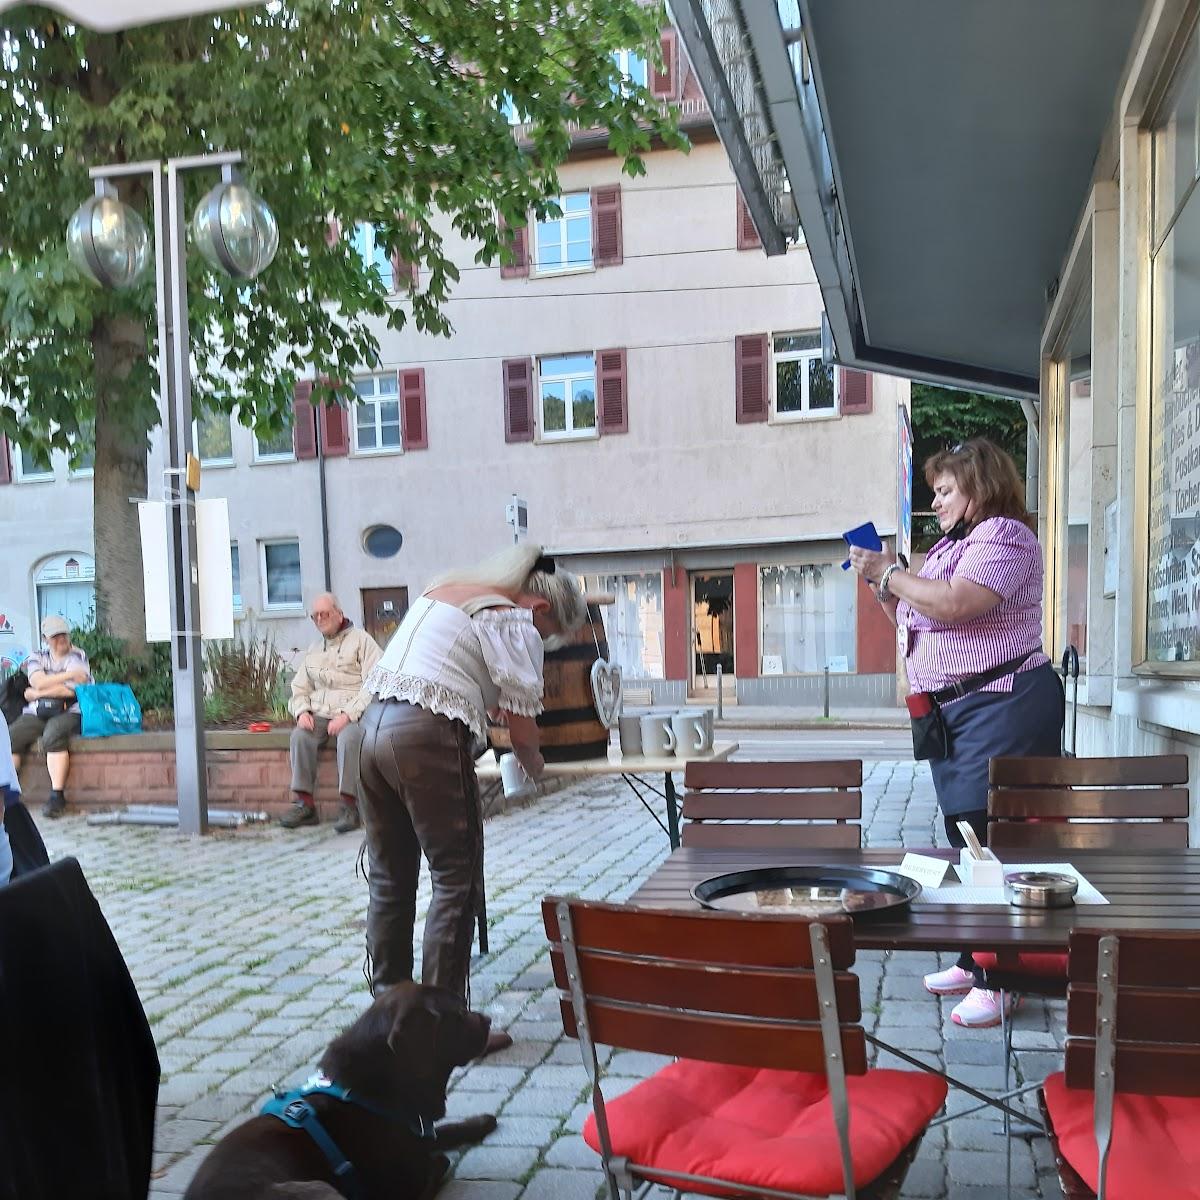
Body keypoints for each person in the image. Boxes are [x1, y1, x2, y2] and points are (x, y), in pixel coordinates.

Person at [849, 438, 1064, 1028]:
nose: (937, 501)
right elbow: (918, 615)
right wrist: (884, 586)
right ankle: (978, 958)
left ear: (979, 487)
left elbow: (954, 604)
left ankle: (1005, 977)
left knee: (998, 839)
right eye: (935, 491)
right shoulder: (953, 545)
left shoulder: (1006, 537)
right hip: (957, 712)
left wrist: (892, 571)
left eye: (945, 490)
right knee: (966, 832)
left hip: (1003, 704)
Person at [356, 544, 586, 1051]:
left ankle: (389, 1010)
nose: (540, 643)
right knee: (455, 880)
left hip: (370, 732)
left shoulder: (446, 589)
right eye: (548, 637)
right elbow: (524, 735)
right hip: (424, 738)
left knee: (391, 879)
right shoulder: (513, 617)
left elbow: (448, 671)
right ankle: (439, 1031)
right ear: (542, 609)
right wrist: (538, 769)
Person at [282, 593, 383, 833]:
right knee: (300, 736)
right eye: (315, 616)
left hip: (354, 714)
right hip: (320, 713)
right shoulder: (314, 649)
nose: (320, 619)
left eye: (325, 613)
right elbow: (299, 688)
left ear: (339, 613)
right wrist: (302, 711)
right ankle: (304, 805)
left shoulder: (362, 641)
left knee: (349, 739)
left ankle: (350, 806)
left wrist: (347, 715)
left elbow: (374, 684)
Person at [8, 616, 94, 819]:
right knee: (11, 737)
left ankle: (57, 796)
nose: (60, 639)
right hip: (38, 710)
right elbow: (36, 681)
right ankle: (8, 794)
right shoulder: (37, 656)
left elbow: (71, 691)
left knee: (52, 736)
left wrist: (39, 690)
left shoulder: (77, 656)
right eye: (55, 636)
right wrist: (65, 677)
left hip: (69, 710)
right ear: (45, 638)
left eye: (63, 634)